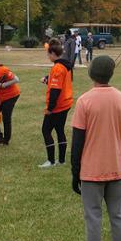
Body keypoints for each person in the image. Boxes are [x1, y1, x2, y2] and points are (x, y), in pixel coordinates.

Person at [69, 55, 121, 241]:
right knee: (119, 217)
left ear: (91, 73)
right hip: (117, 168)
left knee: (93, 219)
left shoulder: (85, 101)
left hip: (92, 171)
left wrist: (75, 172)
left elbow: (77, 141)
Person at [41, 37, 74, 168]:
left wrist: (50, 108)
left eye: (48, 54)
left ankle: (51, 161)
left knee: (46, 130)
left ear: (53, 54)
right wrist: (47, 79)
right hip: (66, 103)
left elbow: (55, 89)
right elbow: (60, 81)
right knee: (60, 130)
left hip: (58, 106)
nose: (48, 56)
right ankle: (61, 160)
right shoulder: (65, 65)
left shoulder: (58, 68)